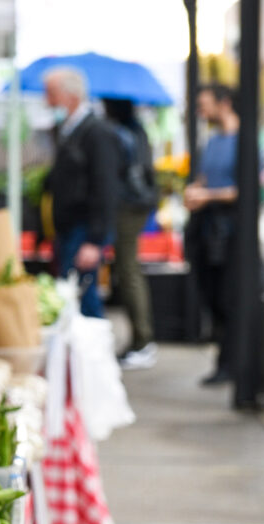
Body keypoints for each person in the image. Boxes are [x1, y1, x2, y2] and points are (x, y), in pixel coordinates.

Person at [43, 67, 120, 318]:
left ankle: (95, 356)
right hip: (67, 229)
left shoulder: (97, 133)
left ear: (71, 96)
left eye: (52, 94)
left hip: (83, 229)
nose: (48, 101)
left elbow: (106, 187)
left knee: (84, 299)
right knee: (71, 297)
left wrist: (95, 241)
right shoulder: (67, 131)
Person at [184, 84, 239, 385]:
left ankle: (230, 363)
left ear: (224, 103)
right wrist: (195, 190)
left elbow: (244, 190)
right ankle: (224, 360)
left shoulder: (243, 141)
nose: (201, 111)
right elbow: (205, 177)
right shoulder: (213, 141)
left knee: (229, 299)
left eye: (205, 104)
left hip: (230, 234)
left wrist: (208, 196)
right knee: (213, 296)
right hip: (207, 232)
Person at [104, 98, 159, 369]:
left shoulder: (122, 133)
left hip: (128, 204)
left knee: (128, 270)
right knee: (127, 269)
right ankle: (141, 339)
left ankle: (142, 340)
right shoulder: (136, 130)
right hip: (136, 203)